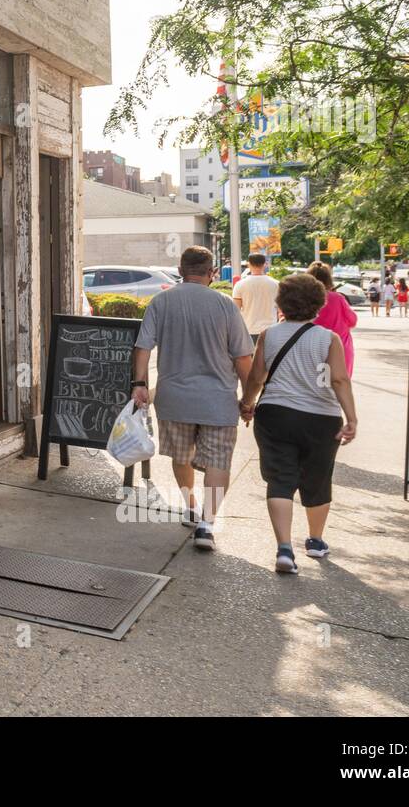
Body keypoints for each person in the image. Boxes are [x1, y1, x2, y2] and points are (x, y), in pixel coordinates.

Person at [131, 245, 255, 551]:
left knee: (181, 455)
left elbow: (142, 347)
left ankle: (189, 505)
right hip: (219, 399)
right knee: (218, 460)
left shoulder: (161, 302)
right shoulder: (226, 305)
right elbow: (243, 358)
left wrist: (140, 384)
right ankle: (206, 524)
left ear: (180, 269)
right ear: (212, 273)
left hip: (175, 398)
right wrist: (249, 398)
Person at [239, 274, 357, 574]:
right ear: (318, 304)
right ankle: (315, 542)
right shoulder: (328, 338)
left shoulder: (269, 334)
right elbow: (340, 379)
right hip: (321, 418)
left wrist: (248, 403)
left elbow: (256, 377)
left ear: (281, 303)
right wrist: (351, 418)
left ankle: (284, 549)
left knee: (281, 478)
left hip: (276, 414)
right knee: (318, 478)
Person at [306, 261, 357, 376]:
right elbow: (352, 321)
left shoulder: (304, 299)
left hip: (310, 349)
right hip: (340, 351)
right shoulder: (338, 298)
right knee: (338, 386)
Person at [232, 252, 279, 336]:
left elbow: (235, 310)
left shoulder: (240, 285)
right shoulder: (276, 284)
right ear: (265, 264)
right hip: (272, 330)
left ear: (248, 264)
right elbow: (281, 309)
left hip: (249, 329)